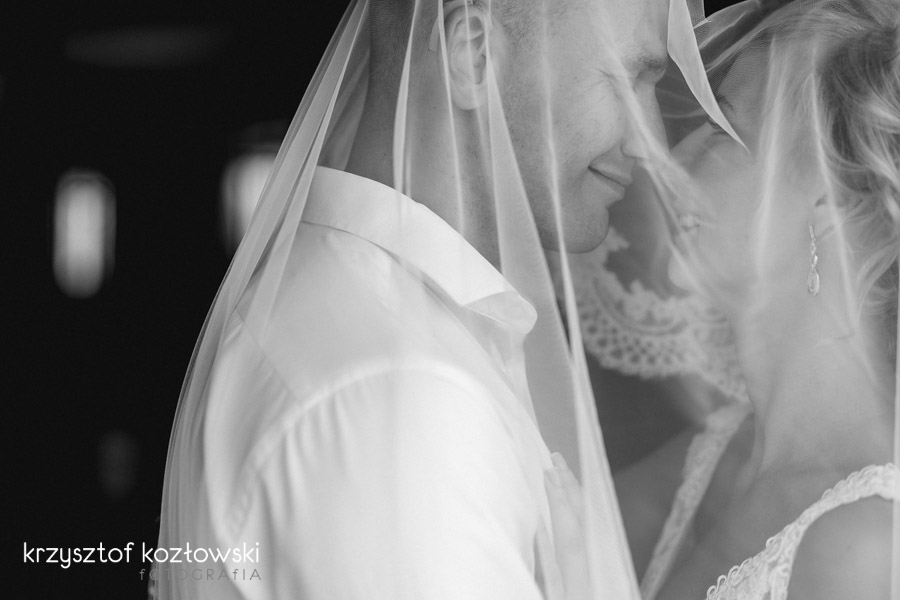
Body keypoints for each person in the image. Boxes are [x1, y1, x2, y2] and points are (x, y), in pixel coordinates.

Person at [153, 1, 734, 598]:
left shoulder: (347, 305)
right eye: (627, 77)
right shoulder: (410, 398)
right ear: (472, 56)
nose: (650, 142)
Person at [549, 0, 900, 598]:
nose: (673, 159)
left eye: (721, 132)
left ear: (827, 201)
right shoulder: (709, 457)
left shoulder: (868, 549)